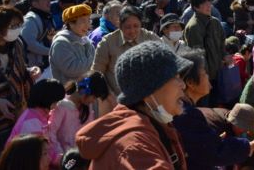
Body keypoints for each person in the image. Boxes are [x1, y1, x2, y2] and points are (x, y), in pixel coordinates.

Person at [76, 41, 191, 169]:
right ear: (149, 90)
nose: (183, 85)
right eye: (175, 77)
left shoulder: (156, 126)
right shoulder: (134, 146)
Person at [172, 50, 254, 169]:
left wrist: (212, 142)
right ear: (190, 82)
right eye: (204, 72)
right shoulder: (188, 114)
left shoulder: (185, 109)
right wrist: (250, 146)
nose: (209, 76)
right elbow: (213, 153)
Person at [92, 5, 160, 96]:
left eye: (136, 26)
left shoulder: (150, 38)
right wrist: (108, 96)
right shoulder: (107, 43)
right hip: (117, 98)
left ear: (141, 24)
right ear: (119, 25)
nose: (132, 31)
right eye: (127, 27)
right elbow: (97, 73)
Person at [48, 72, 109, 162]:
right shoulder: (62, 106)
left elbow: (89, 130)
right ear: (86, 91)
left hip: (80, 158)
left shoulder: (86, 107)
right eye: (94, 97)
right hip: (63, 160)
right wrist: (60, 157)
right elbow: (51, 132)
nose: (94, 101)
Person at [0, 5, 35, 148]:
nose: (17, 29)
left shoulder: (17, 44)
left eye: (19, 25)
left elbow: (19, 69)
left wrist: (29, 71)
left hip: (17, 110)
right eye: (12, 26)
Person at [7, 79, 65, 165]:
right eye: (56, 102)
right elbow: (38, 153)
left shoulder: (38, 115)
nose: (56, 106)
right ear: (47, 100)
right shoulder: (31, 123)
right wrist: (61, 160)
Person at [184, 0, 225, 101]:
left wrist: (225, 58)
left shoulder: (215, 22)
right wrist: (204, 78)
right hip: (205, 77)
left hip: (218, 73)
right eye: (204, 3)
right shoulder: (194, 26)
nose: (209, 6)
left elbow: (222, 44)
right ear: (196, 7)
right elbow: (197, 56)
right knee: (206, 108)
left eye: (209, 2)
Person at [49, 4, 95, 85]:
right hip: (71, 93)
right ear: (71, 23)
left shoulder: (85, 38)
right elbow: (73, 70)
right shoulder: (61, 44)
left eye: (89, 20)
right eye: (83, 21)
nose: (88, 25)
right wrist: (95, 59)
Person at [21, 0, 56, 69]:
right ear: (35, 4)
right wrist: (51, 52)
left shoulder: (47, 16)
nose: (49, 0)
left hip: (49, 62)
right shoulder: (30, 19)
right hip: (37, 67)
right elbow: (29, 44)